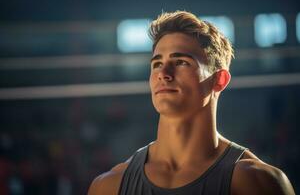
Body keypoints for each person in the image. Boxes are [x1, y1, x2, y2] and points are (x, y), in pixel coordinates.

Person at [88, 11, 295, 195]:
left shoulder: (258, 183)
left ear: (219, 80)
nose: (163, 74)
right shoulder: (109, 186)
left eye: (181, 62)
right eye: (157, 64)